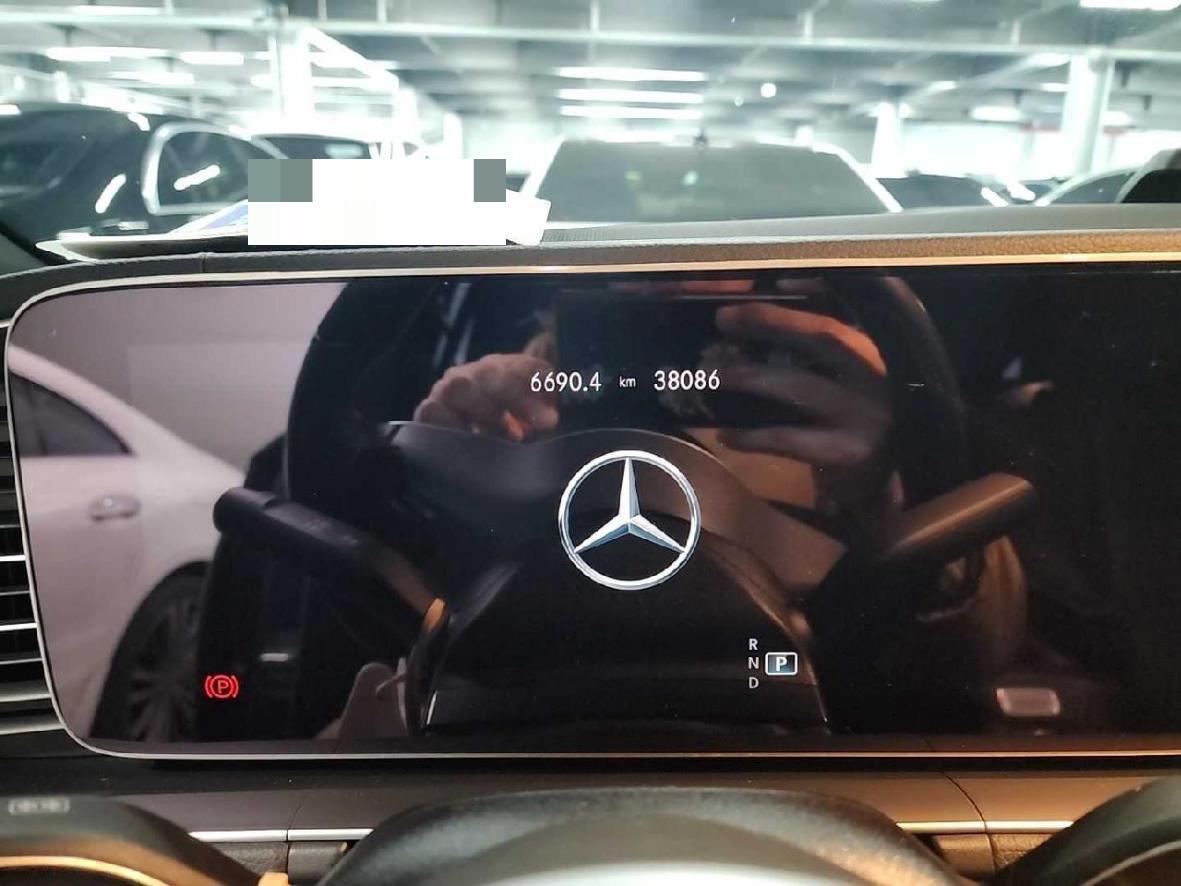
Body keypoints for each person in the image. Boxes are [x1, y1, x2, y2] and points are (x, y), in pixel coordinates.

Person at [412, 279, 1026, 726]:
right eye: (631, 239)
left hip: (792, 728)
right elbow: (420, 634)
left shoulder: (836, 391)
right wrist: (443, 461)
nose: (668, 271)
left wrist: (893, 482)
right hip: (541, 728)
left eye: (708, 252)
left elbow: (982, 647)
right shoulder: (515, 400)